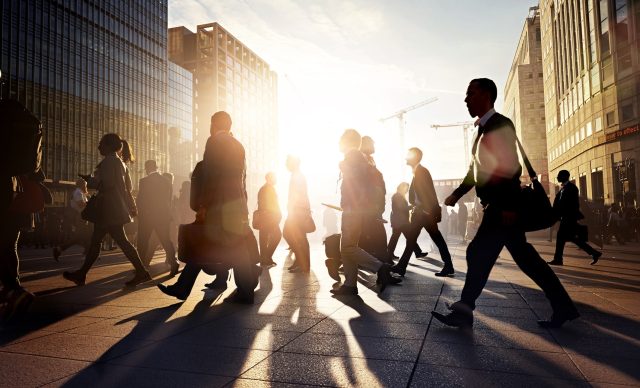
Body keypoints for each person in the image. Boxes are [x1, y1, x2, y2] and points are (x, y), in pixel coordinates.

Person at [432, 78, 579, 329]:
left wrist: (509, 206)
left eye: (471, 93)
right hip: (498, 207)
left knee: (478, 253)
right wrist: (457, 194)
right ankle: (563, 306)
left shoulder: (500, 124)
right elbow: (474, 171)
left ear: (487, 95)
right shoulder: (482, 130)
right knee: (524, 259)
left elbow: (510, 167)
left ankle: (465, 310)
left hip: (502, 208)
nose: (466, 99)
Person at [158, 111, 258, 303]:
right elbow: (242, 180)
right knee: (234, 248)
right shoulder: (238, 145)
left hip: (218, 205)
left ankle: (183, 288)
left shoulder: (214, 142)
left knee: (204, 244)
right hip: (236, 204)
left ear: (214, 124)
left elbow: (211, 177)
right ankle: (244, 291)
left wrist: (203, 205)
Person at [63, 133, 151, 287]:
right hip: (114, 208)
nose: (98, 147)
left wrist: (90, 180)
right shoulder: (120, 163)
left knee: (114, 241)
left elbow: (107, 184)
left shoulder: (109, 161)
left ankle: (141, 272)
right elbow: (127, 188)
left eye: (101, 144)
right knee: (99, 241)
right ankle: (82, 274)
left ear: (109, 146)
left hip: (108, 208)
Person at [330, 129, 401, 296]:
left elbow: (357, 185)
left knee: (347, 247)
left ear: (348, 141)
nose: (339, 142)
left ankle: (380, 267)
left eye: (341, 139)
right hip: (355, 209)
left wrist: (351, 205)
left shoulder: (353, 157)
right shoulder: (358, 158)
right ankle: (349, 284)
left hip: (353, 210)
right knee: (348, 246)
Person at [390, 147, 454, 277]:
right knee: (413, 240)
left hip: (424, 214)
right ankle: (402, 267)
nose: (405, 158)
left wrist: (427, 211)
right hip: (421, 214)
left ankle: (448, 266)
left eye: (408, 155)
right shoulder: (417, 172)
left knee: (434, 239)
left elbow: (429, 193)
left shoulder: (421, 172)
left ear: (414, 158)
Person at [548, 170, 602, 266]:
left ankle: (558, 259)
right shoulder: (562, 189)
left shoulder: (572, 188)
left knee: (562, 237)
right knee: (572, 238)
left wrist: (563, 213)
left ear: (565, 177)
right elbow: (558, 203)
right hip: (565, 217)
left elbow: (572, 204)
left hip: (569, 218)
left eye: (559, 175)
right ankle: (594, 253)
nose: (557, 177)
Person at [136, 160, 179, 276]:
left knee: (143, 241)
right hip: (163, 215)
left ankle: (141, 267)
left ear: (147, 168)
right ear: (156, 167)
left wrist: (140, 214)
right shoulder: (166, 181)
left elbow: (141, 200)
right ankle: (173, 262)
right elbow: (169, 200)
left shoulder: (144, 181)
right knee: (166, 240)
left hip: (148, 216)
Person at [357, 136, 389, 261]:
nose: (374, 147)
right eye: (372, 144)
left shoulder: (370, 159)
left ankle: (381, 261)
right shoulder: (362, 160)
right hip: (369, 206)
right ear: (365, 144)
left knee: (368, 236)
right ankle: (383, 263)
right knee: (375, 235)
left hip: (374, 206)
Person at [283, 155, 312, 273]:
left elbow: (298, 195)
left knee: (289, 233)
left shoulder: (297, 176)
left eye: (287, 163)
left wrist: (292, 208)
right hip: (298, 209)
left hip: (297, 210)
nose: (286, 165)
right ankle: (301, 262)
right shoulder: (297, 175)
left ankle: (302, 262)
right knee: (299, 237)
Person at [387, 182, 427, 260]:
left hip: (398, 221)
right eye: (406, 189)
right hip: (401, 222)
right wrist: (412, 206)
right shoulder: (398, 196)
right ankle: (417, 252)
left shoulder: (398, 196)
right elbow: (402, 208)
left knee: (397, 238)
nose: (407, 190)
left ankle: (389, 254)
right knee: (409, 237)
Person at [52, 179, 90, 260]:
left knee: (85, 237)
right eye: (85, 185)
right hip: (80, 217)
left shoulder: (80, 193)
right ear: (82, 185)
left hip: (83, 217)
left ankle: (88, 252)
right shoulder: (78, 192)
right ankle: (59, 249)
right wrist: (90, 203)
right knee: (79, 237)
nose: (86, 187)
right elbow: (80, 205)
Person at [255, 172, 282, 267]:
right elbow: (265, 204)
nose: (275, 179)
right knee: (273, 236)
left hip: (269, 217)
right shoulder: (266, 188)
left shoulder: (268, 188)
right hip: (268, 218)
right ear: (268, 178)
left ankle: (266, 258)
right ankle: (265, 258)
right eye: (274, 177)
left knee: (265, 238)